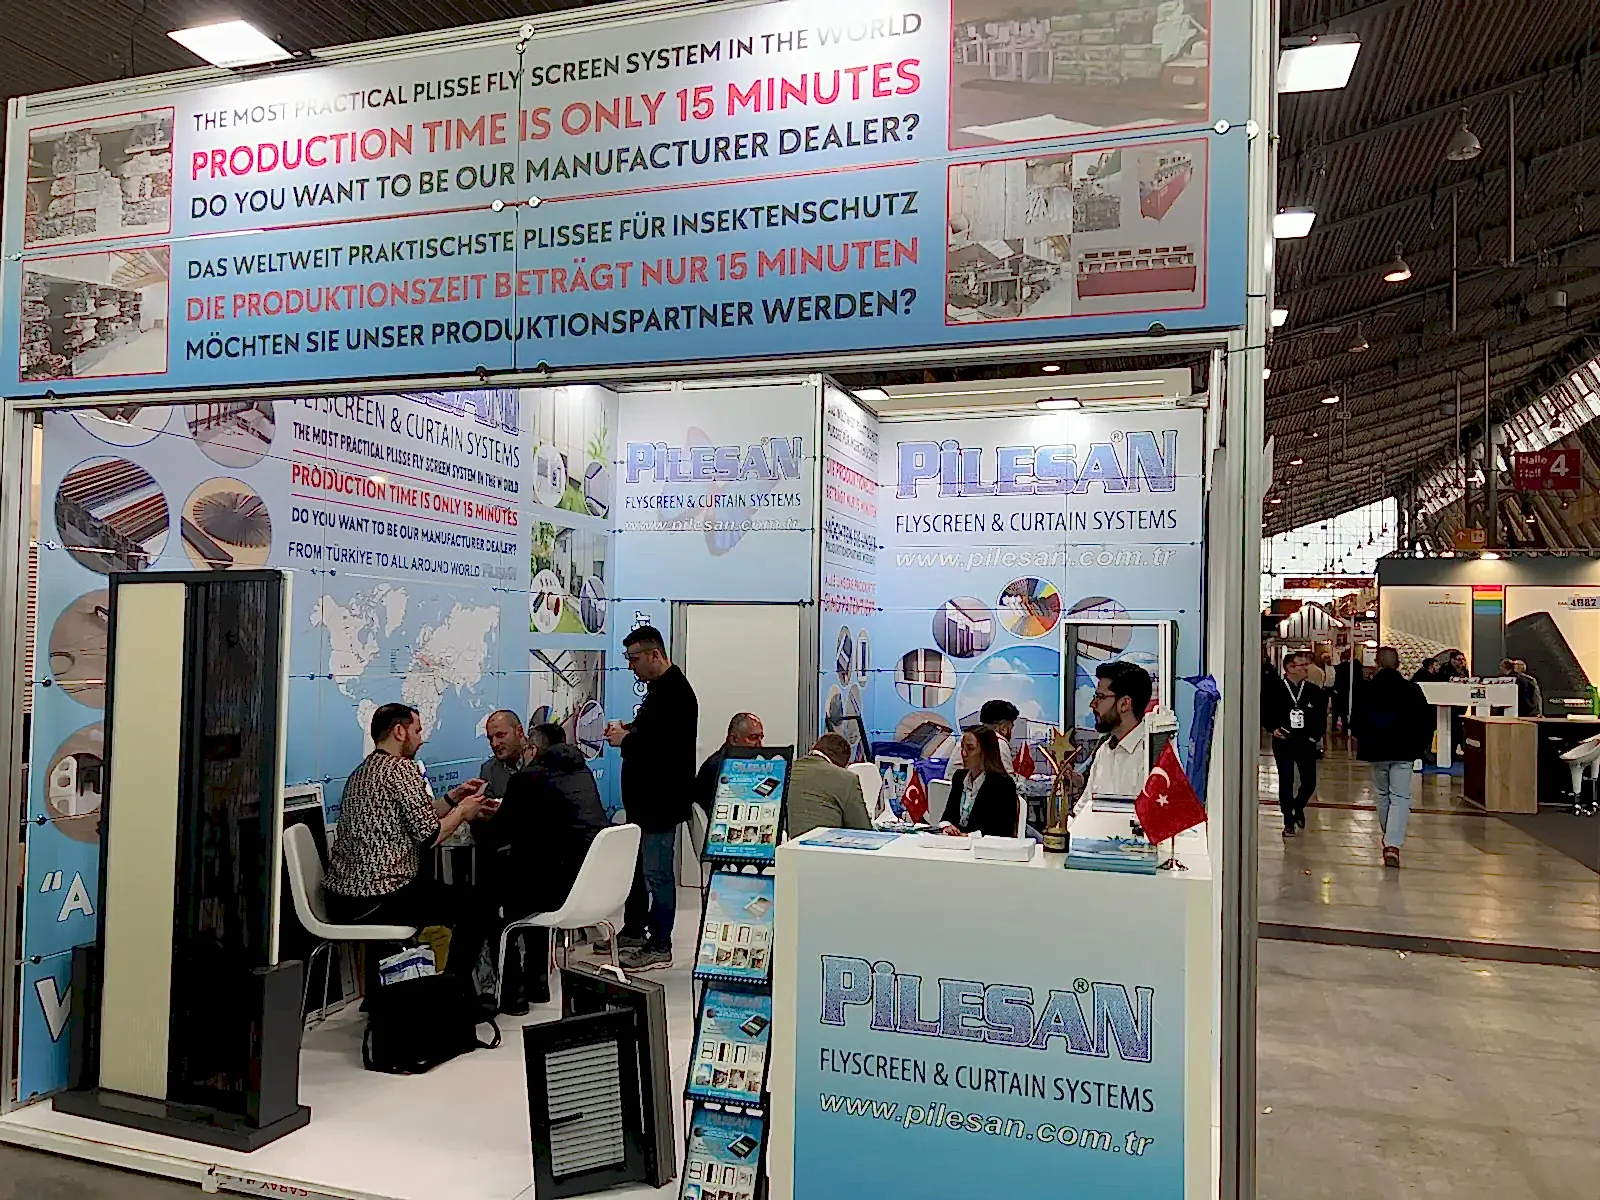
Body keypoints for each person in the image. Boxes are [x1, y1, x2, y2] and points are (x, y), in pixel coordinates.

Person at [323, 703, 495, 983]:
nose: (421, 739)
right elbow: (430, 836)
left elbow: (417, 816)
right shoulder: (401, 769)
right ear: (399, 732)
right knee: (477, 906)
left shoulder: (362, 771)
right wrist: (463, 812)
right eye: (417, 731)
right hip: (377, 898)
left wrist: (453, 798)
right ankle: (452, 988)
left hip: (342, 900)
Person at [481, 723, 608, 1014]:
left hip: (556, 890)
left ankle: (512, 994)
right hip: (591, 888)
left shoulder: (527, 778)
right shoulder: (582, 771)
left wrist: (479, 817)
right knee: (532, 884)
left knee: (490, 903)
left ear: (533, 748)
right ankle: (537, 984)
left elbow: (497, 835)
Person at [603, 625, 698, 971]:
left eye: (634, 659)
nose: (631, 667)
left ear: (654, 654)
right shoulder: (659, 691)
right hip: (645, 804)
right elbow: (653, 733)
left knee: (659, 875)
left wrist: (626, 740)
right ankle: (635, 930)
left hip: (660, 804)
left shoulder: (676, 693)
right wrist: (629, 730)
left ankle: (660, 943)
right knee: (640, 871)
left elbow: (663, 750)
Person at [1350, 647, 1432, 869]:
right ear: (1398, 664)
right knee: (1400, 796)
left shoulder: (1366, 689)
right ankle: (1392, 844)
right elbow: (1426, 720)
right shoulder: (1411, 689)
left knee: (1382, 794)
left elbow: (1355, 720)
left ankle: (1390, 838)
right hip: (1404, 750)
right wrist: (1421, 746)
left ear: (1377, 662)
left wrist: (1362, 738)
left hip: (1376, 750)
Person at [1074, 660, 1156, 813]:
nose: (1093, 704)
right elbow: (1084, 809)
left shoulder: (1153, 754)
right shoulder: (1104, 750)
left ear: (1125, 704)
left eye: (1100, 697)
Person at [1261, 651, 1327, 838]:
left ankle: (1297, 806)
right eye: (1302, 665)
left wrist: (1314, 737)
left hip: (1306, 742)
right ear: (1289, 668)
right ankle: (1288, 820)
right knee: (1286, 779)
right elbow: (1265, 710)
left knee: (1309, 782)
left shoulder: (1313, 691)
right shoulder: (1275, 688)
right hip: (1284, 740)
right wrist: (1272, 728)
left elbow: (1320, 716)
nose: (1306, 668)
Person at [939, 726, 1022, 838]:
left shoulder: (1003, 784)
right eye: (962, 748)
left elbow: (1002, 830)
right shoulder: (959, 777)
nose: (963, 753)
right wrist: (947, 827)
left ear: (986, 751)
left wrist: (968, 836)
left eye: (970, 748)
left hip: (985, 846)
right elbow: (947, 817)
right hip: (956, 844)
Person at [785, 732, 874, 837]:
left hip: (785, 845)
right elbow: (863, 831)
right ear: (841, 761)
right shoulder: (846, 778)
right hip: (823, 845)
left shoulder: (785, 771)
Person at [694, 712, 765, 818]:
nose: (759, 745)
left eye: (761, 738)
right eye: (753, 738)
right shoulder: (719, 768)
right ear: (734, 739)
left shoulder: (742, 764)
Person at [943, 699, 1021, 780]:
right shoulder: (998, 742)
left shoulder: (966, 738)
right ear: (1003, 727)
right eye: (1011, 727)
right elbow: (1008, 781)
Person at [478, 710, 529, 799]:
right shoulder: (488, 771)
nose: (494, 744)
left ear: (519, 732)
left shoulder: (544, 759)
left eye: (500, 735)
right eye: (490, 739)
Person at [1331, 649, 1362, 733]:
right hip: (1352, 691)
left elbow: (1337, 681)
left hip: (1342, 691)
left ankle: (1339, 726)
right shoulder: (1357, 666)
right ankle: (1347, 727)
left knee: (1339, 710)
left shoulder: (1341, 667)